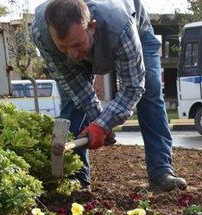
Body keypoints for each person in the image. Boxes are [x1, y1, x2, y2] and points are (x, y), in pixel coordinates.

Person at [32, 0, 186, 192]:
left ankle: (161, 172)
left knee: (149, 93)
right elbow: (75, 86)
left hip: (136, 31)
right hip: (89, 37)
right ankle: (77, 179)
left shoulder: (121, 28)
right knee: (72, 101)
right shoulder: (41, 32)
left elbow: (132, 88)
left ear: (91, 26)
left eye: (77, 44)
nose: (72, 55)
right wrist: (100, 123)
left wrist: (101, 125)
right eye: (63, 47)